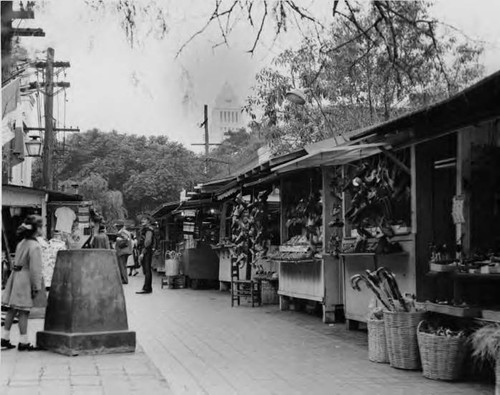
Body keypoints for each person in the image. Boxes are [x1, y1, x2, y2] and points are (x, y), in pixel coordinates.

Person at [1, 215, 45, 351]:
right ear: (36, 229)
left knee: (12, 309)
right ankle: (24, 341)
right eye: (41, 226)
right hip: (25, 279)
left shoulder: (22, 243)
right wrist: (36, 286)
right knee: (24, 311)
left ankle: (5, 337)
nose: (42, 229)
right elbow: (35, 269)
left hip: (15, 277)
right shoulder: (35, 246)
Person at [136, 216, 154, 294]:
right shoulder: (145, 229)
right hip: (145, 251)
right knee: (146, 270)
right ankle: (147, 287)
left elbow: (148, 242)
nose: (142, 221)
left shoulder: (149, 230)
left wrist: (143, 253)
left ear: (148, 221)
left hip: (146, 251)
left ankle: (147, 288)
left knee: (147, 270)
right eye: (142, 220)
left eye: (145, 219)